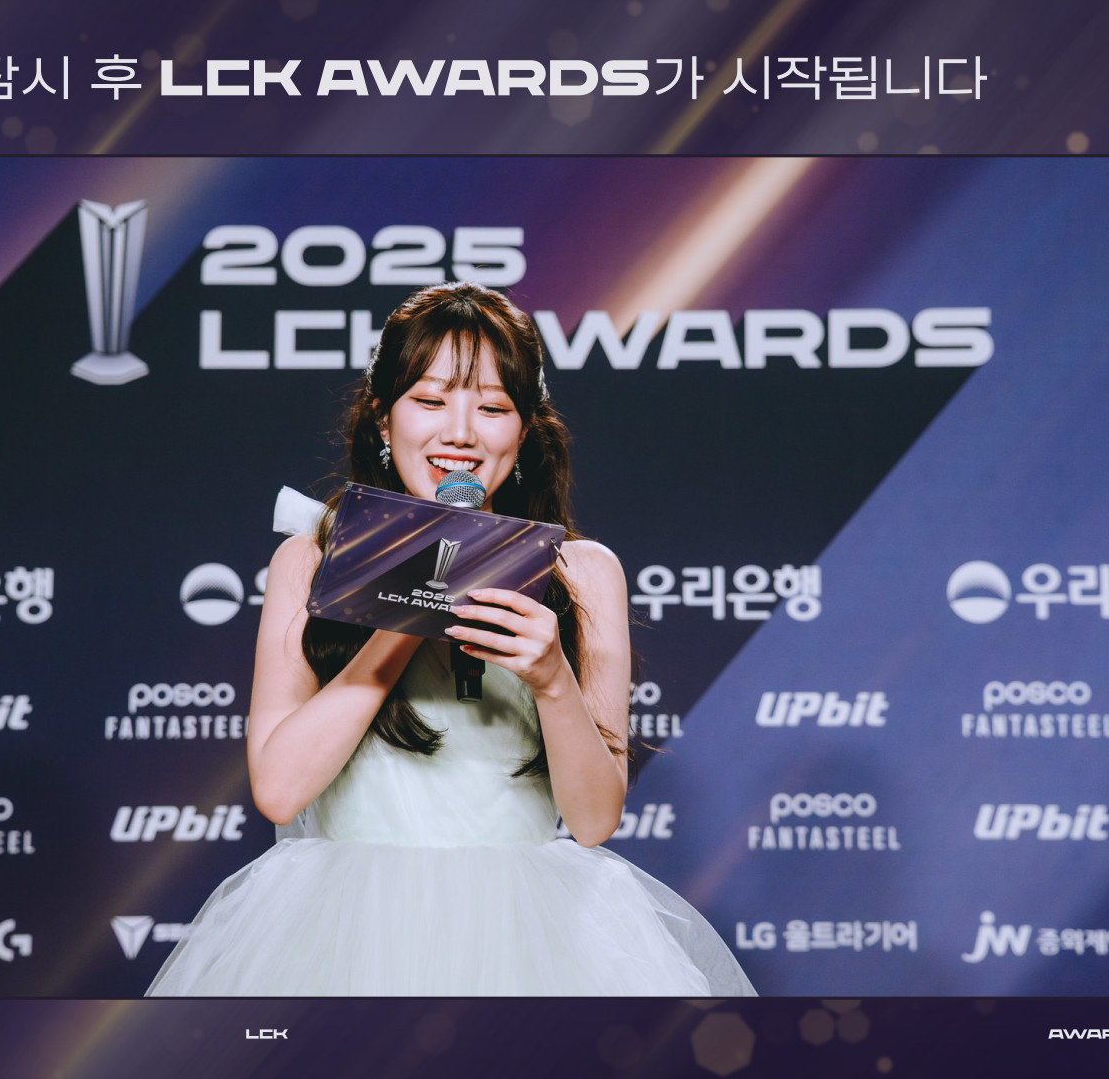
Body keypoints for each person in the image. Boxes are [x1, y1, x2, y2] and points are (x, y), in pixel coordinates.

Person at [148, 282, 754, 996]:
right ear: (383, 417)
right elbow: (279, 792)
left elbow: (594, 820)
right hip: (347, 930)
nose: (460, 434)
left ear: (523, 433)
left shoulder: (583, 574)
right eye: (430, 401)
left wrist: (553, 679)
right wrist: (406, 611)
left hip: (532, 934)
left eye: (493, 408)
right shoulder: (310, 560)